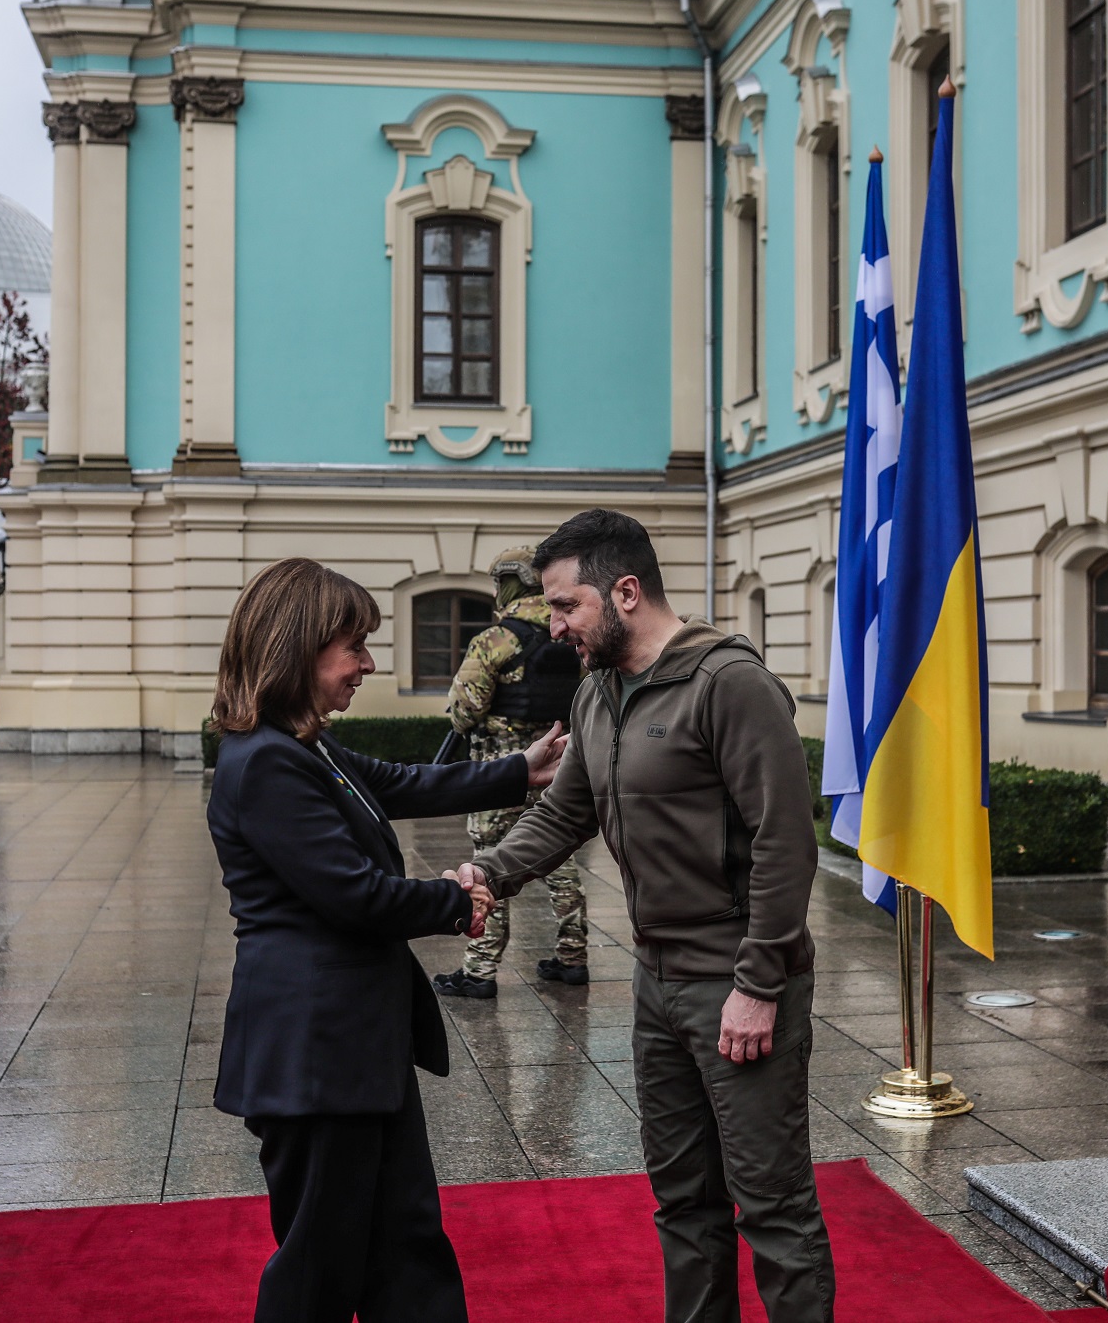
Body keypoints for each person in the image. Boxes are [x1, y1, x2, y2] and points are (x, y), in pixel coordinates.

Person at [449, 509, 835, 1323]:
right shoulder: (599, 692)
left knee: (772, 1205)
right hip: (657, 985)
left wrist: (760, 980)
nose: (554, 629)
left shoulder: (728, 682)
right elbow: (564, 812)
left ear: (626, 591)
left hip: (737, 979)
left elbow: (785, 840)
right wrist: (489, 873)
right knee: (684, 1202)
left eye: (566, 606)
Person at [207, 557, 569, 1323]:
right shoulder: (266, 760)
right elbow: (354, 894)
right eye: (353, 647)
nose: (367, 664)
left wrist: (519, 770)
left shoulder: (301, 743)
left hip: (352, 1048)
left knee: (405, 1247)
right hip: (315, 1056)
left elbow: (398, 782)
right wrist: (458, 898)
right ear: (296, 649)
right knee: (321, 1268)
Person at [433, 546, 588, 999]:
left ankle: (479, 971)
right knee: (559, 855)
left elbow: (464, 711)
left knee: (487, 864)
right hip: (560, 759)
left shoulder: (496, 640)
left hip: (502, 768)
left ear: (508, 582)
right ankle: (572, 957)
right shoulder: (570, 634)